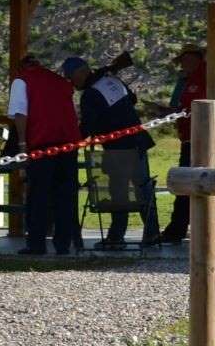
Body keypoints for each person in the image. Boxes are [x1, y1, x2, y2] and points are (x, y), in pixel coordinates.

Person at [67, 51, 158, 250]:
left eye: (71, 78)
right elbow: (132, 99)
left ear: (80, 74)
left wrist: (71, 143)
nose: (72, 83)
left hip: (118, 147)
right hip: (138, 141)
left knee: (119, 193)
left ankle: (116, 236)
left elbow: (88, 127)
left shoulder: (90, 94)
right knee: (144, 189)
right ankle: (151, 234)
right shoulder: (111, 80)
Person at [159, 44, 215, 243]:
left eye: (188, 59)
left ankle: (178, 230)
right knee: (199, 183)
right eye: (183, 60)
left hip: (206, 140)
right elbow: (178, 104)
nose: (184, 64)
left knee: (197, 182)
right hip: (189, 138)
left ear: (198, 59)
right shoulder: (185, 80)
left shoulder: (210, 76)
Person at [7, 53, 82, 255]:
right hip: (69, 144)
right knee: (65, 195)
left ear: (20, 68)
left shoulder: (21, 81)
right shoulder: (59, 81)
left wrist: (22, 144)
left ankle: (37, 243)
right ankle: (64, 243)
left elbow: (20, 114)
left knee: (38, 195)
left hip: (42, 144)